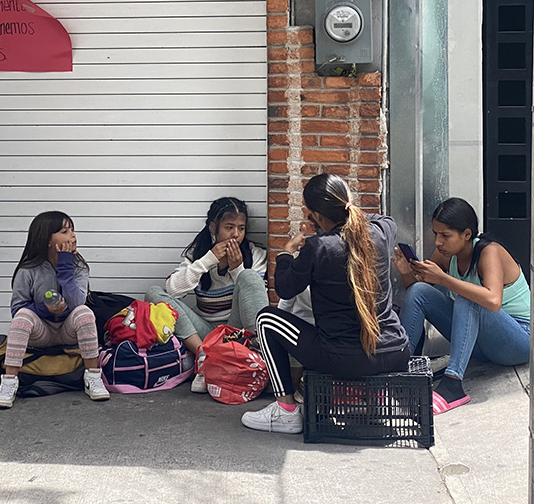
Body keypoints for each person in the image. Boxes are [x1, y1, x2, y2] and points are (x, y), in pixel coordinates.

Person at [241, 173, 410, 434]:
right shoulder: (380, 232)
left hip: (343, 359)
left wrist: (286, 253)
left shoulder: (318, 248)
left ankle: (285, 410)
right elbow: (382, 220)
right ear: (348, 203)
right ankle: (377, 399)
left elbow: (284, 288)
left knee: (266, 319)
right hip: (395, 352)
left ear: (317, 216)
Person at [394, 197, 530, 414]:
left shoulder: (489, 251)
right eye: (435, 233)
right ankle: (398, 369)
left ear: (467, 234)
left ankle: (453, 384)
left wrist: (444, 279)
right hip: (482, 345)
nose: (438, 242)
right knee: (419, 291)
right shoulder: (445, 254)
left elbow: (493, 301)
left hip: (519, 341)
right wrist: (406, 274)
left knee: (469, 297)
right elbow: (419, 296)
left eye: (445, 235)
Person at [145, 197, 268, 393]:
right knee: (154, 293)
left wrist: (237, 270)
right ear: (213, 227)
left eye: (241, 228)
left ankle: (262, 355)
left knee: (250, 277)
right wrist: (208, 260)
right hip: (206, 333)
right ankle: (204, 357)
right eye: (229, 227)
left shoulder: (256, 255)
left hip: (235, 332)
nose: (236, 235)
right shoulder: (199, 254)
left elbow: (256, 296)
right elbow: (173, 290)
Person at [0, 211, 109, 408]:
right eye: (64, 231)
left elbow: (77, 302)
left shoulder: (79, 267)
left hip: (67, 331)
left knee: (85, 313)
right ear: (46, 239)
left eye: (72, 230)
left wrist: (65, 266)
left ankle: (93, 377)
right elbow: (17, 308)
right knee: (22, 316)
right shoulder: (28, 270)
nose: (72, 236)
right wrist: (45, 310)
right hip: (42, 332)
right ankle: (9, 381)